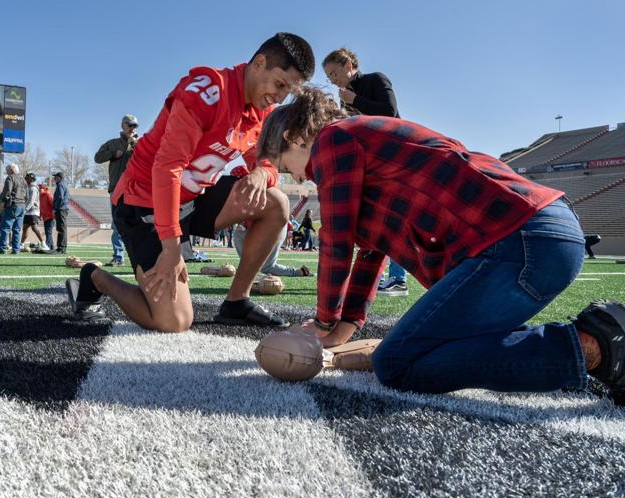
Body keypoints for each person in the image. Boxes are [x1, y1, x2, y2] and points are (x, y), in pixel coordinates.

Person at [257, 86, 625, 401]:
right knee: (425, 350)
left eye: (290, 167)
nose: (301, 177)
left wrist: (323, 321)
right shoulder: (363, 143)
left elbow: (336, 240)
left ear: (292, 137)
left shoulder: (333, 138)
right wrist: (344, 326)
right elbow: (371, 252)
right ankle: (604, 340)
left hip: (519, 239)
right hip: (543, 234)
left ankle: (594, 346)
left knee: (397, 364)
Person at [69, 32, 315, 330]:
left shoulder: (262, 111)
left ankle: (237, 301)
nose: (280, 96)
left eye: (288, 90)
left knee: (275, 202)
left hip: (192, 199)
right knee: (175, 321)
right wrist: (172, 249)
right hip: (144, 203)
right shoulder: (208, 91)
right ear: (259, 63)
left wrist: (263, 171)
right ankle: (95, 277)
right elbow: (167, 168)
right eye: (279, 84)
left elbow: (267, 160)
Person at [324, 47, 407, 297]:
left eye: (334, 73)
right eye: (328, 77)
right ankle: (374, 277)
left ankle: (398, 279)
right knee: (372, 218)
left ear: (349, 64)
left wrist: (355, 101)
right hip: (370, 161)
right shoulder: (344, 96)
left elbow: (391, 114)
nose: (332, 80)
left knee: (394, 217)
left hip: (394, 156)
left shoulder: (375, 79)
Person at [94, 114, 139, 266]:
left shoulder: (141, 143)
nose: (133, 128)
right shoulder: (112, 143)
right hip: (116, 189)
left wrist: (135, 145)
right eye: (130, 125)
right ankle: (118, 257)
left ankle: (139, 257)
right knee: (117, 225)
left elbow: (150, 158)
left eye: (135, 125)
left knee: (138, 224)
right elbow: (97, 157)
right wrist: (113, 154)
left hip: (136, 189)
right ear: (123, 126)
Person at [233, 223, 313, 277]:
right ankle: (247, 266)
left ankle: (298, 272)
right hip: (266, 228)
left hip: (275, 227)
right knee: (238, 233)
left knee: (267, 267)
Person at [0, 163, 26, 254]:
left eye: (7, 170)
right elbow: (27, 194)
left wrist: (2, 203)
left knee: (5, 228)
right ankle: (16, 249)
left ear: (11, 170)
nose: (6, 172)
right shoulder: (23, 179)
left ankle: (2, 248)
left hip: (13, 205)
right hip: (22, 205)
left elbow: (7, 192)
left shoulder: (10, 178)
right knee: (17, 229)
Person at [21, 173, 46, 249]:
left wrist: (25, 209)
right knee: (25, 228)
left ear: (31, 179)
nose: (25, 179)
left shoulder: (33, 188)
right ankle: (21, 244)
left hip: (33, 211)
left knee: (34, 228)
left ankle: (43, 243)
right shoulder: (28, 187)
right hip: (28, 212)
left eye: (27, 178)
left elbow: (31, 201)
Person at [52, 172, 70, 253]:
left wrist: (55, 209)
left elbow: (60, 197)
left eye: (55, 177)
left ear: (59, 177)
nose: (54, 178)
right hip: (63, 208)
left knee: (61, 229)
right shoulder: (64, 184)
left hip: (61, 209)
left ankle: (61, 247)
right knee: (62, 228)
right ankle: (62, 247)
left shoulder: (60, 185)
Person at [39, 184, 54, 250]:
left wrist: (54, 213)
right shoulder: (40, 196)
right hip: (45, 217)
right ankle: (51, 246)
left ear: (43, 188)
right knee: (47, 232)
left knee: (48, 232)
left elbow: (53, 204)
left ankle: (48, 245)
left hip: (50, 216)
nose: (39, 190)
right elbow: (41, 206)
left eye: (40, 188)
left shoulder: (48, 194)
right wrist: (40, 214)